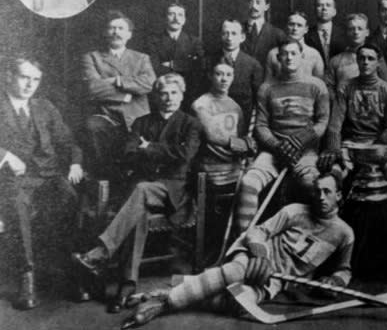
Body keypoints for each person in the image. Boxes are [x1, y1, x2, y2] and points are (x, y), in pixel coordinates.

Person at [122, 172, 354, 328]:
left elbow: (345, 269)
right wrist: (260, 254)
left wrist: (336, 281)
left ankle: (169, 291)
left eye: (327, 192)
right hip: (256, 256)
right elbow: (258, 231)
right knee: (234, 273)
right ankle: (165, 304)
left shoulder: (344, 233)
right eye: (317, 191)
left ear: (339, 195)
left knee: (239, 303)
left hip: (277, 279)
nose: (321, 197)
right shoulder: (295, 211)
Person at [72, 73, 202, 313]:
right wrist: (159, 152)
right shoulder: (142, 122)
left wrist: (149, 147)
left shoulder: (190, 124)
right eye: (163, 93)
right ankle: (127, 285)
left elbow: (184, 156)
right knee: (138, 209)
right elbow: (128, 154)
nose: (169, 98)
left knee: (140, 190)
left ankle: (100, 253)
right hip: (141, 189)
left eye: (174, 93)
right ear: (156, 96)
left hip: (172, 191)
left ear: (182, 95)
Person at [0, 56, 84, 309]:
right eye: (24, 77)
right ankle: (27, 277)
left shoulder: (44, 107)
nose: (30, 85)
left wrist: (75, 162)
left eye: (35, 79)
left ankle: (66, 272)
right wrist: (3, 155)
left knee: (68, 196)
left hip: (48, 177)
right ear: (9, 76)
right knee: (17, 202)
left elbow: (68, 142)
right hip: (11, 180)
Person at [318, 42, 387, 278]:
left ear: (378, 62)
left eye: (370, 58)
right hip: (351, 145)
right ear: (357, 61)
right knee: (332, 177)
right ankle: (334, 248)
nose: (365, 62)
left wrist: (375, 151)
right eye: (362, 58)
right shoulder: (346, 86)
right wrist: (334, 148)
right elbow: (335, 122)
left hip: (380, 146)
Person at [235, 39, 329, 233]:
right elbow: (261, 126)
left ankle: (308, 237)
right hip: (273, 151)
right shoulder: (267, 88)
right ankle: (246, 239)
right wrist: (277, 146)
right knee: (248, 183)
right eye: (285, 54)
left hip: (305, 152)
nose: (289, 57)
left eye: (294, 53)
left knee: (310, 184)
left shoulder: (317, 86)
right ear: (278, 58)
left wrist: (299, 141)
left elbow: (322, 122)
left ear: (302, 56)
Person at [81, 10, 156, 180]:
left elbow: (148, 84)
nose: (116, 32)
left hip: (138, 117)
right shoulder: (92, 57)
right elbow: (93, 88)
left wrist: (118, 80)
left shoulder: (141, 58)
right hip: (109, 117)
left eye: (121, 28)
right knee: (93, 126)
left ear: (129, 34)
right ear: (105, 33)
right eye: (111, 28)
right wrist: (126, 95)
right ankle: (108, 182)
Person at [192, 58, 257, 187]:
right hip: (209, 170)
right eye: (219, 74)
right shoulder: (200, 104)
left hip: (234, 169)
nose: (224, 79)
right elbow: (212, 136)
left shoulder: (235, 106)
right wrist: (243, 145)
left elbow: (240, 136)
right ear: (210, 76)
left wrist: (249, 146)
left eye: (228, 75)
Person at [146, 3, 204, 110]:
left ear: (185, 19)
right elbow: (154, 68)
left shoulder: (194, 42)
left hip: (187, 94)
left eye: (180, 15)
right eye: (171, 14)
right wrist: (185, 64)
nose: (176, 18)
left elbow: (198, 68)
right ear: (165, 18)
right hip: (161, 94)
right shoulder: (153, 41)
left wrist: (172, 64)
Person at [325, 13, 387, 98]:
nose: (356, 32)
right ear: (346, 32)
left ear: (367, 32)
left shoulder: (377, 59)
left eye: (360, 29)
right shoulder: (336, 61)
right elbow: (328, 89)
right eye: (352, 29)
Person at [213, 19, 263, 125]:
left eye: (234, 33)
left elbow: (258, 101)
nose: (229, 38)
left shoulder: (253, 65)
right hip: (213, 119)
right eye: (225, 33)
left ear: (242, 37)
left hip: (242, 121)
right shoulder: (208, 61)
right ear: (220, 36)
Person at [264, 11, 324, 82]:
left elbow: (319, 83)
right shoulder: (273, 53)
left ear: (306, 29)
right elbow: (268, 82)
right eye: (291, 24)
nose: (295, 28)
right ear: (286, 26)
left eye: (299, 25)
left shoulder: (314, 54)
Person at [241, 0, 286, 66]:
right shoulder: (237, 30)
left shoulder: (277, 34)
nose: (254, 6)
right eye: (251, 2)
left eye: (258, 2)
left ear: (266, 6)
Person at [304, 0, 346, 65]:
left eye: (328, 5)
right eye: (320, 5)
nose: (324, 8)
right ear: (315, 10)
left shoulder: (344, 34)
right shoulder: (306, 34)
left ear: (334, 12)